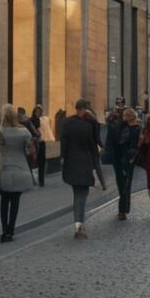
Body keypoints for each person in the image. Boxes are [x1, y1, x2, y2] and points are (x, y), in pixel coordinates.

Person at [62, 98, 106, 239]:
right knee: (82, 196)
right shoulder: (89, 125)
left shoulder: (67, 123)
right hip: (85, 164)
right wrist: (102, 180)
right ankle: (80, 227)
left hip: (72, 164)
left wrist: (64, 159)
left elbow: (64, 144)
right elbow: (95, 149)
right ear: (86, 109)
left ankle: (77, 226)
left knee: (77, 196)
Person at [0, 104, 34, 241]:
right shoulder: (23, 132)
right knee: (15, 201)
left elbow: (0, 149)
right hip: (21, 169)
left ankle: (4, 230)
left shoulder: (1, 131)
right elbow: (29, 149)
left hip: (7, 169)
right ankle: (11, 230)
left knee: (4, 201)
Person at [113, 107, 141, 220]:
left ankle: (122, 209)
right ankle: (123, 209)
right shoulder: (129, 127)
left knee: (123, 183)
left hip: (125, 158)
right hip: (125, 157)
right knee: (125, 183)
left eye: (125, 116)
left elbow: (126, 143)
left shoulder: (131, 128)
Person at [30, 104, 55, 186]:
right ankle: (34, 180)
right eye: (36, 111)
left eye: (39, 111)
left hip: (41, 142)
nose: (38, 113)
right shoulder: (32, 120)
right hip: (34, 142)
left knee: (42, 162)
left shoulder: (44, 119)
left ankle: (41, 180)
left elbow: (47, 130)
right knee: (33, 161)